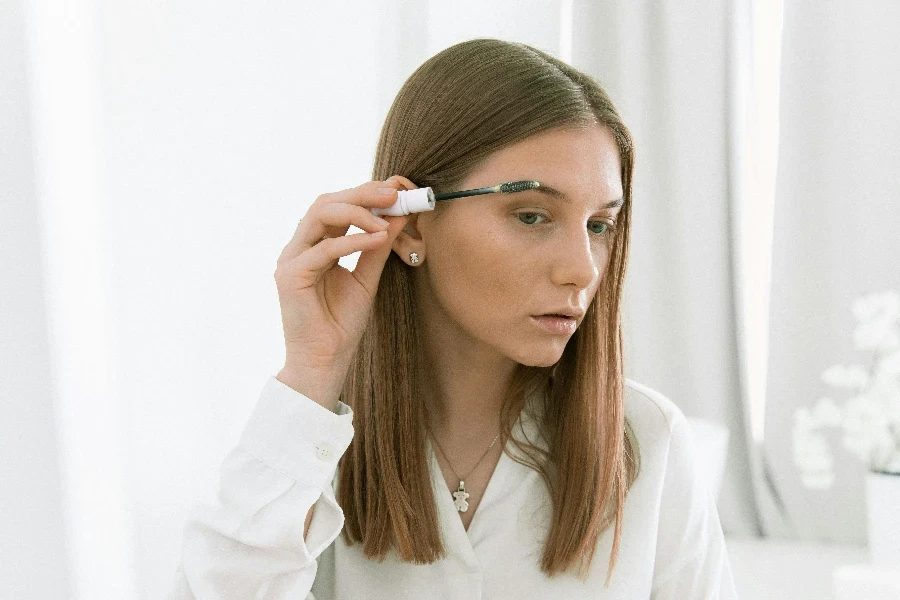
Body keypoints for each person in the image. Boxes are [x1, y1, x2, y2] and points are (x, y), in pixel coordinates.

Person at [168, 37, 738, 599]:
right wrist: (314, 369)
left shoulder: (647, 442)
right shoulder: (309, 450)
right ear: (413, 223)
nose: (583, 271)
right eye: (533, 215)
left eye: (599, 226)